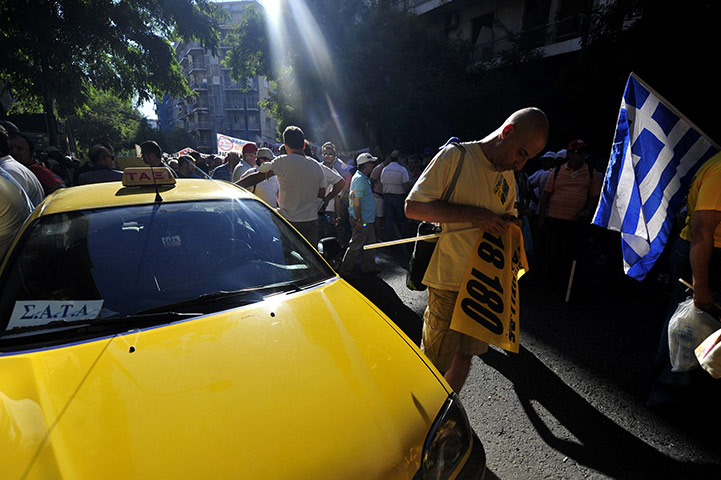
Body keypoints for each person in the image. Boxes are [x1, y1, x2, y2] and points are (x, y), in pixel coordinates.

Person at [405, 107, 549, 393]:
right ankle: (423, 423)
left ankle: (448, 410)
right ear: (506, 133)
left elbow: (504, 218)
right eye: (521, 153)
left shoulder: (506, 176)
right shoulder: (455, 157)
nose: (520, 165)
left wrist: (510, 224)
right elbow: (413, 208)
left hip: (483, 285)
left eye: (527, 159)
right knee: (433, 361)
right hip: (447, 280)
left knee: (466, 354)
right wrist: (474, 215)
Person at [647, 152, 721, 413]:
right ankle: (666, 399)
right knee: (689, 328)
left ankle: (682, 395)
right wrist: (700, 284)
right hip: (705, 255)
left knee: (697, 328)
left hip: (708, 253)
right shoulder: (719, 170)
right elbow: (702, 231)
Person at [237, 126, 326, 247]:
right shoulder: (317, 166)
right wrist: (315, 207)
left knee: (289, 257)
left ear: (286, 145)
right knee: (310, 258)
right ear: (304, 145)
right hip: (311, 221)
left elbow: (256, 177)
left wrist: (231, 187)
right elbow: (322, 191)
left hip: (289, 223)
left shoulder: (282, 161)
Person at [538, 139, 601, 288]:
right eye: (574, 152)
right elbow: (546, 195)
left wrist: (587, 210)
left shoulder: (591, 172)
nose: (577, 155)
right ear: (569, 153)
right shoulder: (558, 171)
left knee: (572, 252)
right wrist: (541, 217)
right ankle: (551, 282)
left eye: (581, 152)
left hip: (576, 220)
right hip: (555, 217)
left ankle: (569, 283)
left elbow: (594, 196)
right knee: (553, 251)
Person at [338, 152, 380, 278]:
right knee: (355, 245)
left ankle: (369, 267)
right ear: (366, 165)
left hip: (366, 218)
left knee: (370, 243)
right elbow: (356, 203)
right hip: (362, 219)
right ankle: (345, 272)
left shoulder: (361, 177)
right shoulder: (360, 179)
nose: (372, 166)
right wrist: (359, 220)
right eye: (371, 163)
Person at [0, 126, 44, 207]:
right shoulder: (11, 168)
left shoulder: (8, 171)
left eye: (19, 149)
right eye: (12, 148)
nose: (14, 152)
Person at [381, 149, 412, 240]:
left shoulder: (384, 170)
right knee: (401, 220)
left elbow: (382, 182)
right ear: (399, 158)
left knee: (388, 221)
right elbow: (406, 185)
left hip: (387, 197)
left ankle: (389, 241)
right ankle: (403, 241)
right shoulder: (402, 170)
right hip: (399, 197)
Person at [370, 152, 390, 241]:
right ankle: (378, 237)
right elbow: (372, 181)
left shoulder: (387, 168)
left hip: (384, 197)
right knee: (378, 218)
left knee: (382, 218)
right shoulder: (378, 168)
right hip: (378, 197)